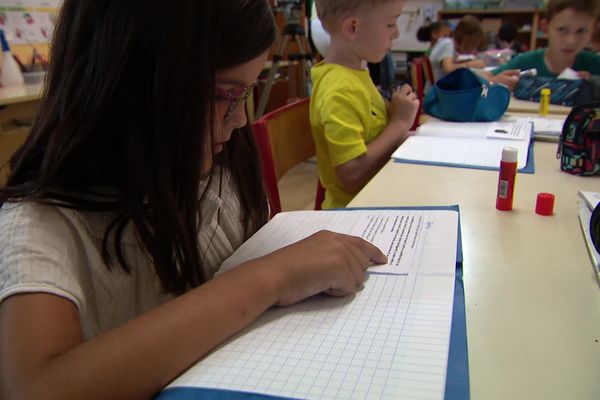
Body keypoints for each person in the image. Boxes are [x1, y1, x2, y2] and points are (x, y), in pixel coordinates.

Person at [0, 1, 388, 398]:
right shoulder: (40, 226)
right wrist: (271, 278)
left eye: (247, 94)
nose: (239, 120)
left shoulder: (219, 177)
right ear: (130, 78)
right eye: (224, 95)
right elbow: (35, 388)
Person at [310, 0, 420, 209]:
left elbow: (373, 136)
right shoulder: (339, 89)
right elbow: (351, 176)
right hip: (356, 213)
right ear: (352, 28)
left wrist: (400, 133)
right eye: (390, 24)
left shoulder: (355, 75)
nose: (396, 34)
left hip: (376, 197)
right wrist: (398, 124)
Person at [493, 0, 600, 79]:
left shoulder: (596, 66)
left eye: (581, 31)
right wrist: (495, 82)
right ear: (545, 28)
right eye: (562, 29)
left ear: (592, 31)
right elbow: (485, 80)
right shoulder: (525, 62)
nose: (571, 41)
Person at [429, 15, 487, 82]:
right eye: (473, 44)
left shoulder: (447, 42)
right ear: (467, 39)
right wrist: (471, 64)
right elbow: (447, 69)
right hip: (440, 89)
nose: (473, 48)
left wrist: (466, 61)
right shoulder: (448, 44)